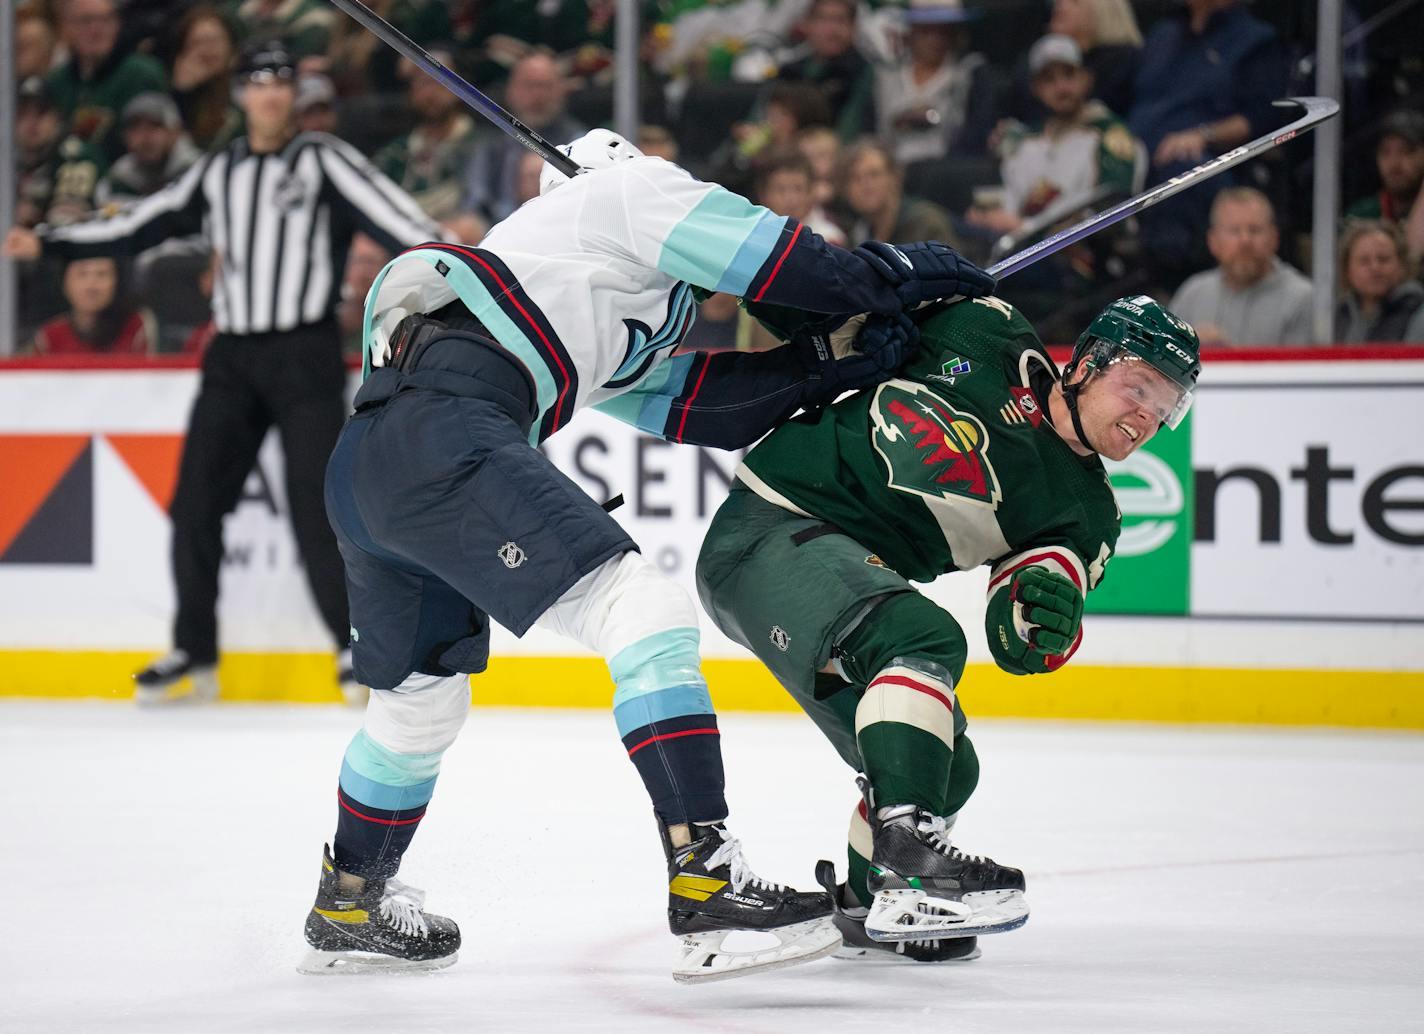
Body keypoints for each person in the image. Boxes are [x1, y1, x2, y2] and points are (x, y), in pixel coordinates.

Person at [299, 127, 996, 980]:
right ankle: (705, 883)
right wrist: (895, 276)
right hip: (449, 432)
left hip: (370, 454)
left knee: (418, 707)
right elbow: (784, 262)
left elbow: (702, 408)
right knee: (645, 612)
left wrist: (828, 364)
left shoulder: (579, 284)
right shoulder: (629, 194)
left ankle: (347, 900)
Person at [696, 293, 1200, 963]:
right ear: (1089, 362)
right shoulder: (984, 327)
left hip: (841, 577)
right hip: (769, 524)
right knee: (920, 639)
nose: (1148, 416)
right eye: (1140, 386)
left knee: (947, 769)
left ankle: (869, 906)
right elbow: (823, 310)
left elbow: (1019, 626)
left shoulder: (1087, 514)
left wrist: (1039, 622)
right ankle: (905, 863)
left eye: (1166, 408)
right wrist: (848, 286)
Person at [5, 41, 445, 705]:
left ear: (293, 94)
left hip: (302, 351)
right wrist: (56, 242)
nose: (271, 94)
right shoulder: (220, 170)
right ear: (240, 95)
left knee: (315, 506)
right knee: (195, 502)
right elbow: (144, 222)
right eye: (259, 82)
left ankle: (352, 648)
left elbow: (401, 223)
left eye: (282, 81)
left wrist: (460, 267)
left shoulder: (321, 158)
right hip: (233, 356)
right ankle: (195, 650)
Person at [1127, 0, 1286, 286]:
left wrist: (1203, 135)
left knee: (1184, 172)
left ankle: (1169, 282)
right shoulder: (1162, 35)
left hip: (1207, 161)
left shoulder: (1256, 39)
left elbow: (1262, 117)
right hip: (1136, 155)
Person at [969, 35, 1138, 238]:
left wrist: (1023, 228)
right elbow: (1008, 197)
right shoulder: (1025, 139)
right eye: (1049, 79)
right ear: (1036, 89)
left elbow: (1111, 214)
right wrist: (986, 217)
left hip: (1071, 255)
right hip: (1013, 248)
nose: (1061, 87)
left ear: (1086, 78)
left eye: (1069, 75)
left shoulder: (1109, 135)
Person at [1168, 187, 1313, 346]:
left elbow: (1303, 370)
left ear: (1274, 238)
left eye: (1255, 230)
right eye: (1234, 231)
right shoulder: (1192, 295)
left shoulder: (1303, 298)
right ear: (1213, 241)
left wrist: (1227, 357)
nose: (1245, 240)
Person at [459, 49, 584, 224]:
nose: (537, 95)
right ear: (511, 91)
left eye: (545, 86)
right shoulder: (491, 145)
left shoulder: (581, 143)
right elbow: (475, 204)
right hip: (496, 235)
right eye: (529, 85)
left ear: (562, 90)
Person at [45, 0, 169, 162]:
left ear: (117, 24)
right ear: (66, 27)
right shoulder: (57, 81)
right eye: (86, 21)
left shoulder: (140, 74)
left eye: (105, 20)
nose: (95, 29)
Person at [874, 0, 992, 165]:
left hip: (945, 173)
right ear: (911, 31)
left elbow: (976, 134)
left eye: (943, 31)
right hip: (889, 172)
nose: (935, 40)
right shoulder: (885, 76)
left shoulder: (968, 75)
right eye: (926, 31)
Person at [30, 256, 157, 355]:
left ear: (117, 282)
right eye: (82, 274)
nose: (91, 285)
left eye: (102, 274)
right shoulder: (49, 337)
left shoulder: (136, 327)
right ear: (64, 283)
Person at [94, 93, 200, 208]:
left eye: (154, 126)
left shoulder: (197, 171)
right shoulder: (118, 180)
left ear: (175, 132)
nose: (144, 138)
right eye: (134, 129)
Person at [1335, 221, 1424, 344]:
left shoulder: (1418, 311)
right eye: (1364, 261)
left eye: (1383, 259)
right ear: (1347, 270)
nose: (1375, 267)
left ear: (1402, 266)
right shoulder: (1336, 314)